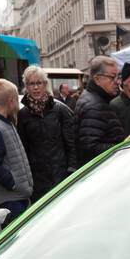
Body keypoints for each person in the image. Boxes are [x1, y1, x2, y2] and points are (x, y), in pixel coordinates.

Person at [18, 65, 76, 201]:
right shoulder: (22, 115)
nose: (36, 87)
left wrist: (71, 169)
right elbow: (24, 149)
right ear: (26, 86)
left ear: (45, 84)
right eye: (31, 83)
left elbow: (70, 143)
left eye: (39, 83)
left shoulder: (59, 110)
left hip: (61, 174)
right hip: (38, 180)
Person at [0, 78, 33, 218]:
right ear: (10, 101)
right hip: (10, 200)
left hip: (17, 197)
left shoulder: (5, 123)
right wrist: (12, 183)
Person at [75, 55, 125, 164]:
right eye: (112, 77)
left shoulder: (98, 100)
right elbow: (91, 148)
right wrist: (121, 146)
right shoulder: (93, 106)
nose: (118, 82)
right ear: (97, 79)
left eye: (118, 76)